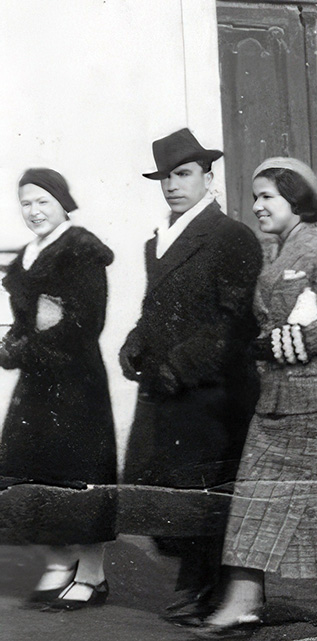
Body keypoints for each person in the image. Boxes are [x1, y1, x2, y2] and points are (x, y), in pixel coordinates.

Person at [198, 157, 317, 639]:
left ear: (295, 199)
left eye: (267, 197)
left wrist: (278, 344)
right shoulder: (274, 253)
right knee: (253, 497)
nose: (257, 206)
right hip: (277, 400)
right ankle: (243, 601)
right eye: (254, 197)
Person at [118, 128, 263, 625]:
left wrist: (180, 366)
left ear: (208, 176)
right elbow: (156, 308)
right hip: (166, 390)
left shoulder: (231, 236)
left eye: (183, 174)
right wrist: (136, 341)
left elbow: (235, 322)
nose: (172, 185)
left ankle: (212, 589)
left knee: (207, 495)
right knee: (165, 493)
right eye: (165, 177)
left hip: (211, 392)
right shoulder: (157, 242)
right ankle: (198, 582)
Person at [0, 169, 116, 610]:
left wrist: (24, 348)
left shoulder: (81, 249)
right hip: (37, 384)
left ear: (63, 203)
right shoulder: (29, 255)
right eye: (26, 203)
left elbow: (85, 324)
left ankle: (92, 574)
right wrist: (11, 344)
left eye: (42, 201)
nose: (34, 212)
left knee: (80, 475)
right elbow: (28, 321)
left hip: (75, 382)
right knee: (34, 469)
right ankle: (59, 561)